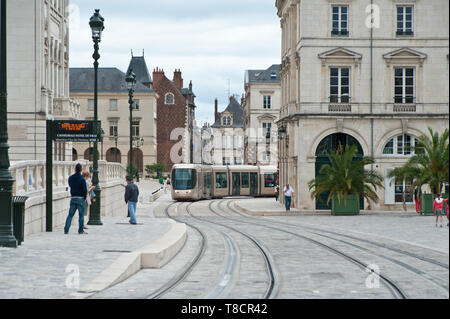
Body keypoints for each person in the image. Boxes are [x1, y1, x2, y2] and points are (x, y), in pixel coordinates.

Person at [64, 163, 88, 235]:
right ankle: (80, 230)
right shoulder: (82, 179)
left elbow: (70, 185)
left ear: (75, 169)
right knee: (81, 216)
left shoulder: (71, 178)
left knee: (70, 215)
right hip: (80, 198)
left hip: (73, 197)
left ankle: (66, 229)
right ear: (81, 170)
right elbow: (85, 190)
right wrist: (84, 197)